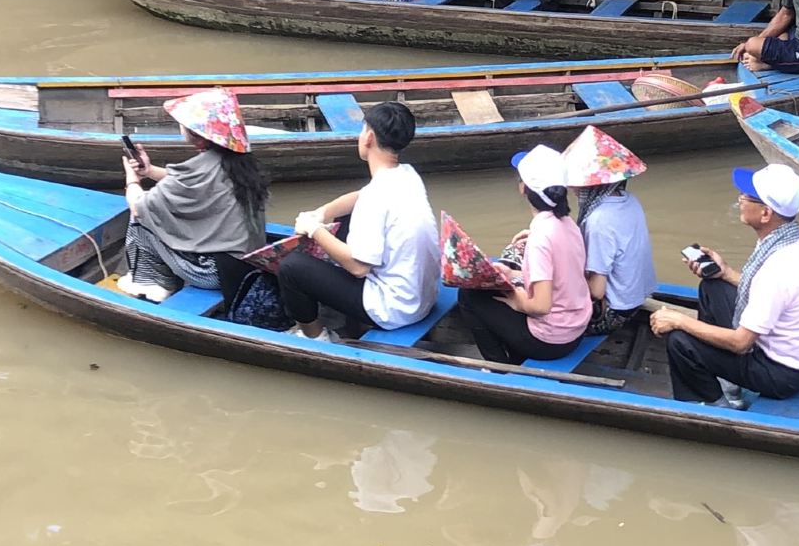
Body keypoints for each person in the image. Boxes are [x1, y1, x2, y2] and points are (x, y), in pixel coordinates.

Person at [651, 164, 799, 407]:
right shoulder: (791, 238)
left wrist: (679, 320)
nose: (740, 199)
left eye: (747, 197)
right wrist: (725, 272)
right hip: (790, 354)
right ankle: (729, 383)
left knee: (679, 342)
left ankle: (716, 405)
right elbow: (766, 291)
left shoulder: (778, 268)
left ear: (765, 213)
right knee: (712, 286)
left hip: (780, 374)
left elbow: (741, 342)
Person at [280, 101, 439, 339]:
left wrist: (314, 229)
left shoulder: (375, 198)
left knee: (291, 268)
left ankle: (315, 337)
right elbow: (359, 196)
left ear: (369, 137)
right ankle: (344, 318)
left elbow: (359, 267)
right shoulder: (407, 175)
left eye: (363, 129)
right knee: (345, 216)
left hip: (393, 309)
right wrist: (321, 213)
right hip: (421, 298)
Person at [116, 88, 268, 301]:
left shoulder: (197, 170)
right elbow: (187, 182)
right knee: (154, 205)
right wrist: (149, 171)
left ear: (195, 134)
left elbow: (138, 205)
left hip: (213, 273)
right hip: (248, 262)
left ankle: (153, 284)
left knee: (141, 217)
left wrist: (132, 179)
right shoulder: (242, 162)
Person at [455, 144, 593, 364]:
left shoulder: (541, 238)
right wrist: (512, 276)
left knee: (468, 295)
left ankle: (498, 366)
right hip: (576, 328)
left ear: (523, 188)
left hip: (550, 341)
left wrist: (516, 300)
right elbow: (560, 278)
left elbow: (541, 306)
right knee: (506, 275)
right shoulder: (568, 224)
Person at [562, 124, 657, 334]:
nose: (573, 190)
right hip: (635, 296)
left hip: (614, 311)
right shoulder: (630, 200)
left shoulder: (598, 221)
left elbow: (596, 291)